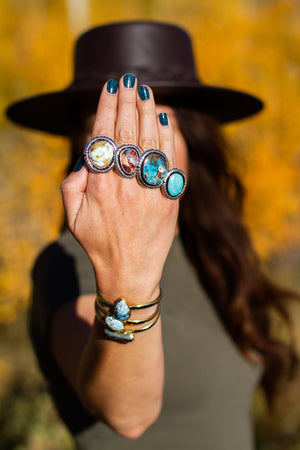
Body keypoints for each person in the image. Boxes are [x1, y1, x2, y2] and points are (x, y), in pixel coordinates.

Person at [6, 21, 298, 450]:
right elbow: (128, 413)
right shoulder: (66, 265)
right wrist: (129, 274)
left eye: (156, 124)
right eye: (109, 133)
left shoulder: (213, 253)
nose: (135, 153)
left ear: (191, 142)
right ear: (86, 151)